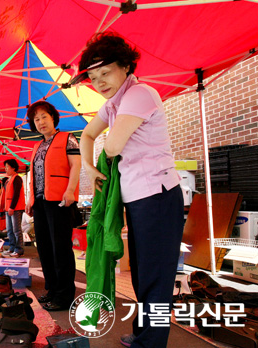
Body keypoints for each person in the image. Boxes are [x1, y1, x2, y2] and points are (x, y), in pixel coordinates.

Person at [77, 32, 183, 348]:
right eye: (94, 77)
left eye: (105, 73)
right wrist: (88, 166)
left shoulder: (139, 94)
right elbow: (86, 135)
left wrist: (97, 159)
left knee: (156, 279)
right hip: (138, 199)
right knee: (142, 274)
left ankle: (150, 342)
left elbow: (111, 144)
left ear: (125, 66)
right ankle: (143, 335)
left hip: (158, 196)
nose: (99, 82)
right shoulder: (115, 103)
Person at [25, 100, 82, 312]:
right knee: (45, 249)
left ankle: (65, 296)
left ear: (53, 118)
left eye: (44, 117)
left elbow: (76, 165)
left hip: (60, 200)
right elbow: (33, 175)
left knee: (61, 249)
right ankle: (52, 290)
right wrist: (30, 199)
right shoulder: (37, 146)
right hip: (40, 202)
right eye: (36, 119)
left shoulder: (68, 138)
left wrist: (70, 190)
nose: (40, 122)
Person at [2, 158, 26, 257]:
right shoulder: (8, 180)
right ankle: (12, 248)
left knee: (17, 230)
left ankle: (19, 249)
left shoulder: (17, 178)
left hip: (15, 208)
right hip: (9, 208)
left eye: (7, 167)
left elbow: (16, 194)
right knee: (10, 230)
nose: (5, 169)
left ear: (13, 168)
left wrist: (12, 207)